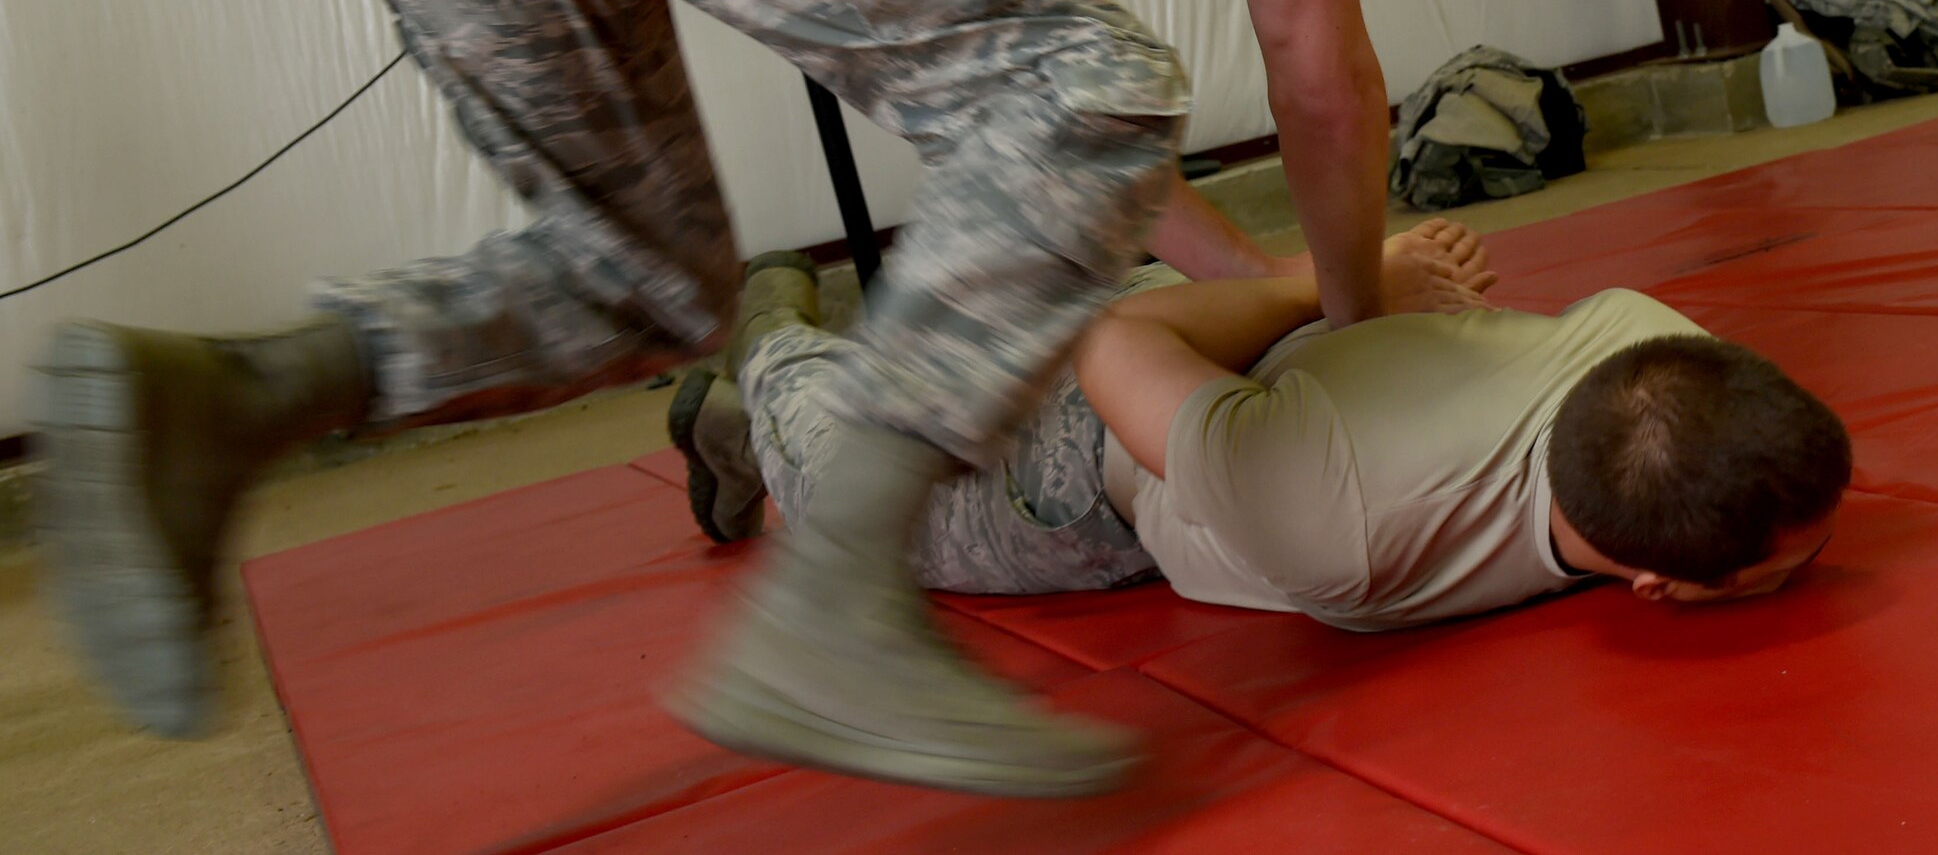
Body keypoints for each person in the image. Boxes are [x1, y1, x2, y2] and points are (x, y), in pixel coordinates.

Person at [35, 0, 1478, 796]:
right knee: (1089, 86)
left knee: (645, 282)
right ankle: (835, 608)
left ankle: (225, 397)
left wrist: (1270, 285)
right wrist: (1357, 338)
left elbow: (1041, 122)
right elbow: (1318, 69)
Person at [691, 222, 1848, 622]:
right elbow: (1113, 348)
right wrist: (1326, 280)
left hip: (1263, 389)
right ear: (1658, 586)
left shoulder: (1666, 352)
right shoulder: (1343, 524)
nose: (1810, 567)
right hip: (1084, 446)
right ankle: (771, 331)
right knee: (830, 468)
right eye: (1783, 570)